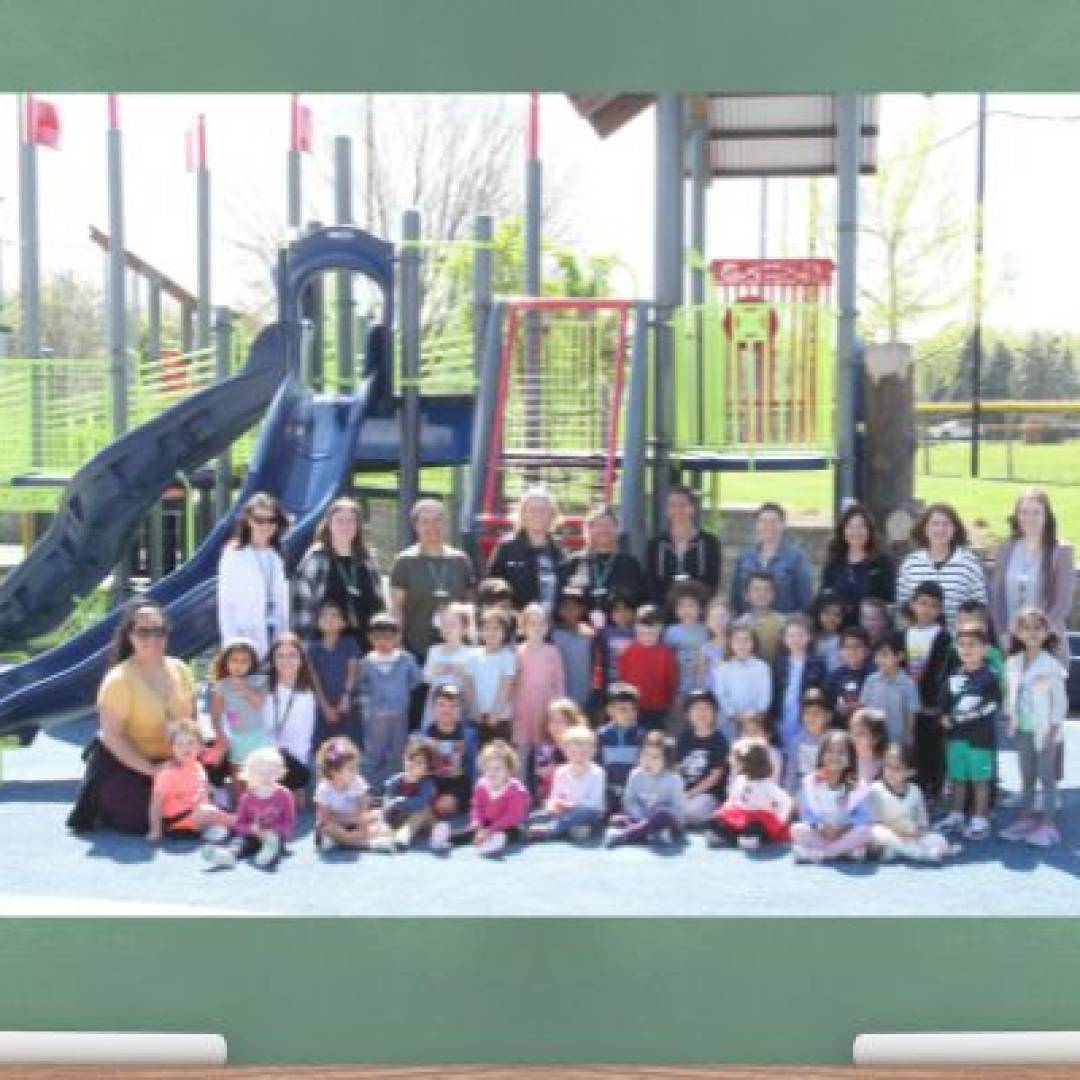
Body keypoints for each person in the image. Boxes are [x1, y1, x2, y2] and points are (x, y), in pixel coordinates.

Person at [67, 601, 196, 835]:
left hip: (177, 760)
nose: (152, 638)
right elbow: (112, 737)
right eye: (143, 631)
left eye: (159, 631)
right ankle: (103, 804)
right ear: (129, 636)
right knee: (142, 817)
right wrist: (151, 770)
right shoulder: (118, 680)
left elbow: (192, 721)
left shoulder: (181, 669)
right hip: (130, 763)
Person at [999, 607, 1068, 848]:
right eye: (1025, 628)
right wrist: (1009, 716)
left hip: (1045, 732)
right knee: (1026, 776)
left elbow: (1060, 702)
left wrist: (1053, 729)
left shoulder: (1051, 665)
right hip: (1022, 730)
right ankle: (1026, 818)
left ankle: (1048, 824)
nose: (1031, 633)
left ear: (1047, 632)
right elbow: (1011, 695)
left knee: (1046, 778)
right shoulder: (1013, 663)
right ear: (1016, 632)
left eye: (1037, 628)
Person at [990, 488, 1076, 663]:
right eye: (1024, 512)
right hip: (1011, 647)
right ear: (1017, 516)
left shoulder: (1061, 551)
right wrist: (1003, 634)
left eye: (1036, 512)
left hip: (1048, 647)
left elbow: (1062, 602)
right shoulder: (1007, 548)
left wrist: (1036, 638)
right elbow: (996, 597)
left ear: (1047, 516)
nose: (1030, 518)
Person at [934, 626, 1000, 841]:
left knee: (980, 781)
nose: (966, 649)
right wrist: (943, 716)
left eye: (972, 645)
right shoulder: (953, 676)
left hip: (980, 740)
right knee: (958, 778)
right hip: (956, 739)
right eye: (962, 645)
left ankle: (980, 819)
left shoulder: (990, 676)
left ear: (985, 648)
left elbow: (991, 706)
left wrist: (960, 718)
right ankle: (956, 815)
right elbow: (943, 705)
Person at [389, 498, 476, 661]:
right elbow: (397, 608)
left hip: (456, 650)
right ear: (416, 526)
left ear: (445, 524)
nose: (432, 527)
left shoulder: (460, 560)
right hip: (416, 650)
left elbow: (469, 605)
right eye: (425, 522)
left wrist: (472, 641)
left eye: (437, 521)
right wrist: (398, 644)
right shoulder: (404, 561)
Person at [291, 496, 385, 646]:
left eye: (351, 521)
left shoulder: (368, 557)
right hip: (326, 645)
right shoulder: (317, 556)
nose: (345, 526)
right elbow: (302, 605)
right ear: (329, 524)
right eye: (340, 521)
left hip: (364, 643)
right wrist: (304, 644)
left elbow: (379, 603)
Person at [217, 492, 290, 659]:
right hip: (244, 642)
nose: (266, 526)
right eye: (259, 520)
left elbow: (281, 603)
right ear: (249, 520)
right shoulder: (234, 554)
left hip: (274, 637)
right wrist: (231, 645)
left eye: (271, 521)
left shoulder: (276, 556)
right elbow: (226, 604)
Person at [896, 502, 988, 632]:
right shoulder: (910, 563)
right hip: (919, 644)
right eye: (935, 524)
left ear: (954, 529)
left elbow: (980, 607)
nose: (940, 529)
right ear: (925, 528)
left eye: (946, 524)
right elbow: (902, 606)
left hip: (959, 644)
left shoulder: (969, 563)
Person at [357, 613, 422, 793]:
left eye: (388, 637)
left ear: (397, 638)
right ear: (370, 638)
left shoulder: (406, 659)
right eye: (378, 638)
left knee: (398, 753)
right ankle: (368, 790)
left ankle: (397, 789)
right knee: (373, 754)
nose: (383, 642)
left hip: (400, 714)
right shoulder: (367, 662)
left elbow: (416, 680)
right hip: (375, 717)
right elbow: (361, 685)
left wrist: (401, 693)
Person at [201, 746, 295, 869]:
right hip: (252, 834)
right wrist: (252, 829)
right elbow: (239, 824)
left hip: (274, 836)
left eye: (271, 771)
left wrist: (273, 831)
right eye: (261, 772)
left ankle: (268, 854)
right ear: (250, 774)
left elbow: (288, 823)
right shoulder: (247, 798)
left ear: (280, 772)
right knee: (239, 842)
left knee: (274, 842)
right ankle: (228, 856)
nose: (266, 776)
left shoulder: (285, 795)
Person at [790, 730, 874, 863]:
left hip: (846, 831)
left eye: (841, 752)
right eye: (830, 751)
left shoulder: (857, 785)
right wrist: (820, 827)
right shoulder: (812, 781)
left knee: (866, 831)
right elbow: (807, 813)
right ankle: (843, 852)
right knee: (797, 829)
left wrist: (845, 828)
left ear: (850, 759)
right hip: (822, 832)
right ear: (821, 755)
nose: (835, 756)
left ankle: (824, 853)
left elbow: (864, 816)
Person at [146, 719, 232, 845]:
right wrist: (155, 830)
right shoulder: (167, 773)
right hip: (178, 824)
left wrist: (216, 797)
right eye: (180, 744)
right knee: (209, 812)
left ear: (200, 746)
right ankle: (247, 826)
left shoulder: (198, 767)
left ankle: (213, 828)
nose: (185, 748)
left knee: (220, 801)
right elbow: (155, 805)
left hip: (198, 814)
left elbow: (204, 790)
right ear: (172, 748)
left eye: (191, 743)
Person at [868, 744, 957, 864]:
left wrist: (916, 832)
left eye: (897, 768)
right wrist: (897, 831)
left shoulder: (915, 791)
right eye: (887, 766)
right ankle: (921, 854)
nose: (890, 771)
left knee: (939, 839)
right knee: (877, 832)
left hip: (911, 834)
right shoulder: (875, 789)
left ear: (910, 772)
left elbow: (922, 822)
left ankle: (900, 851)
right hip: (889, 832)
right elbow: (874, 821)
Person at [487, 486, 565, 615]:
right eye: (532, 510)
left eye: (543, 510)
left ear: (552, 514)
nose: (538, 515)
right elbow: (490, 586)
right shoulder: (506, 547)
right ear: (522, 514)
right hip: (516, 624)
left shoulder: (559, 548)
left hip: (552, 623)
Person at [560, 505, 646, 618]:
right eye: (599, 525)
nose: (604, 530)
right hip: (580, 630)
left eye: (609, 525)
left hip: (619, 631)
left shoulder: (630, 564)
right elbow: (563, 602)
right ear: (589, 529)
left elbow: (639, 602)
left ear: (617, 530)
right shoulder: (573, 563)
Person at [449, 740, 531, 856]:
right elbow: (477, 807)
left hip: (509, 824)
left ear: (509, 770)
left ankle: (494, 841)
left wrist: (490, 830)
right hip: (488, 821)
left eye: (497, 769)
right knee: (471, 831)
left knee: (515, 832)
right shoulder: (481, 786)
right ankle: (448, 838)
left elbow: (512, 816)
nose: (492, 773)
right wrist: (477, 822)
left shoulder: (516, 790)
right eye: (488, 769)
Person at [605, 731, 686, 848]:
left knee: (662, 815)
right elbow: (629, 801)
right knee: (616, 819)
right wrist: (641, 816)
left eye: (655, 757)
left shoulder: (674, 779)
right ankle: (650, 832)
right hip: (641, 816)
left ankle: (625, 835)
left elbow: (678, 809)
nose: (648, 760)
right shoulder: (635, 774)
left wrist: (655, 815)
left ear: (666, 761)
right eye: (646, 755)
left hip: (667, 820)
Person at [729, 502, 813, 616]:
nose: (768, 526)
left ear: (783, 525)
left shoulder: (796, 558)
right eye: (763, 521)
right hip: (748, 627)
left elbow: (805, 599)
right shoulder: (744, 557)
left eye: (773, 522)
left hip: (784, 627)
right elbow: (735, 596)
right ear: (756, 525)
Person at [526, 725, 606, 843]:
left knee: (581, 814)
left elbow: (593, 802)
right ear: (565, 751)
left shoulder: (598, 772)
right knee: (537, 815)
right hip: (565, 810)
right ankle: (523, 827)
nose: (579, 756)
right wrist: (554, 804)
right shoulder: (561, 771)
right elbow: (555, 795)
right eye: (574, 752)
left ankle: (551, 829)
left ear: (593, 751)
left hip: (589, 812)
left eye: (584, 752)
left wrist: (569, 805)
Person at [645, 485, 722, 606]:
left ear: (692, 508)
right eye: (672, 506)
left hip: (698, 611)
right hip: (665, 612)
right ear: (667, 510)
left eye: (682, 505)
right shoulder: (656, 544)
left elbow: (712, 582)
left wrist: (691, 607)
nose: (677, 510)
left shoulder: (709, 543)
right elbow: (651, 583)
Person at [709, 740, 793, 851]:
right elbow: (732, 799)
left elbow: (786, 801)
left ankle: (743, 839)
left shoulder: (767, 785)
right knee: (715, 820)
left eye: (737, 760)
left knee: (754, 828)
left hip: (759, 818)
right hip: (739, 814)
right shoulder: (739, 779)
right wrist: (724, 811)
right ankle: (736, 838)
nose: (732, 761)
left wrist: (780, 820)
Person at [264, 633, 318, 801]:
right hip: (264, 760)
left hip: (293, 764)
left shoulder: (306, 695)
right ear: (272, 660)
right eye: (280, 655)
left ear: (301, 659)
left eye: (292, 655)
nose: (286, 661)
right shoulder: (263, 689)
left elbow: (304, 738)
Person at [208, 637, 268, 784]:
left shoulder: (260, 681)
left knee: (258, 778)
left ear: (252, 663)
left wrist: (244, 688)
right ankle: (238, 805)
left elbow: (260, 703)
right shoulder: (221, 686)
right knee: (238, 777)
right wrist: (220, 736)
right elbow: (215, 716)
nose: (238, 665)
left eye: (244, 661)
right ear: (226, 662)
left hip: (258, 737)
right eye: (234, 660)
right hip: (236, 738)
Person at [819, 502, 896, 618]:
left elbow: (890, 601)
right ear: (843, 531)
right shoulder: (833, 563)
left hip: (871, 628)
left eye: (861, 526)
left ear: (869, 530)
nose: (856, 532)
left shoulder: (883, 563)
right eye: (850, 527)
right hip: (840, 627)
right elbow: (824, 599)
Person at [512, 602, 566, 762]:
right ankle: (521, 787)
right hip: (523, 710)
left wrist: (558, 709)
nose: (537, 628)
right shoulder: (517, 652)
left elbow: (559, 681)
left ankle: (541, 786)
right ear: (524, 626)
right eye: (532, 623)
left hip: (546, 710)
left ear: (547, 626)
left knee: (543, 759)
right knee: (521, 757)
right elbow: (512, 682)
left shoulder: (552, 652)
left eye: (541, 623)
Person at [307, 599, 362, 751]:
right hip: (322, 706)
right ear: (317, 622)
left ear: (344, 622)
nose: (329, 619)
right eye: (324, 616)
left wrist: (346, 696)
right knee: (323, 749)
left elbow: (353, 670)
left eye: (334, 615)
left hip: (348, 705)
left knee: (349, 747)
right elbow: (313, 679)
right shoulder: (312, 648)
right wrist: (324, 707)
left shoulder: (350, 643)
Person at [426, 685, 476, 851]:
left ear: (460, 710)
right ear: (433, 708)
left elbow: (475, 766)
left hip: (457, 783)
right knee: (421, 798)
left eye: (453, 706)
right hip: (432, 781)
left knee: (443, 806)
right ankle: (428, 820)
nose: (447, 710)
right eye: (441, 704)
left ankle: (431, 823)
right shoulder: (424, 733)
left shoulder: (469, 734)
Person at [617, 604, 679, 731]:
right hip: (633, 707)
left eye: (651, 634)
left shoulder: (666, 653)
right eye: (642, 633)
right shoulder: (628, 651)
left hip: (659, 707)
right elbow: (622, 678)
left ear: (659, 630)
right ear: (636, 629)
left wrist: (668, 702)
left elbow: (672, 680)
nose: (647, 637)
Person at [371, 737, 439, 851]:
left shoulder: (426, 784)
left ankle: (404, 836)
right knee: (378, 814)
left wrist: (402, 801)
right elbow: (388, 798)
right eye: (409, 759)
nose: (411, 764)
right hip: (398, 816)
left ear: (427, 770)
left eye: (419, 763)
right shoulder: (395, 780)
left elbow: (421, 802)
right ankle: (384, 837)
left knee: (424, 810)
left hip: (421, 820)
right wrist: (388, 804)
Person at [771, 613, 827, 750]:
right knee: (784, 749)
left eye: (800, 635)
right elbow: (774, 691)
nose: (796, 639)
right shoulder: (778, 663)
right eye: (791, 635)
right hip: (783, 716)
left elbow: (822, 692)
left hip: (806, 716)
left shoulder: (817, 663)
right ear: (784, 639)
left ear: (808, 637)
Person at [675, 689, 730, 826]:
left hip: (708, 794)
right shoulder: (684, 737)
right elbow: (676, 768)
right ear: (688, 714)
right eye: (696, 709)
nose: (701, 713)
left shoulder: (719, 740)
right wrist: (677, 792)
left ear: (715, 713)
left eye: (706, 709)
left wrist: (690, 794)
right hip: (684, 791)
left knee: (692, 811)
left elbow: (714, 778)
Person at [709, 624, 771, 744]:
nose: (742, 644)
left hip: (755, 721)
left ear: (753, 643)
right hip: (730, 720)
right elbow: (720, 694)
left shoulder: (762, 667)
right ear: (730, 644)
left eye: (746, 640)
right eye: (737, 640)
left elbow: (765, 695)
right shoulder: (723, 668)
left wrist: (755, 714)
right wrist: (734, 714)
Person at [313, 736, 375, 853]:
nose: (355, 772)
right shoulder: (323, 788)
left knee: (377, 820)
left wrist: (362, 825)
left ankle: (347, 841)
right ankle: (358, 842)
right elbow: (325, 817)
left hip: (356, 821)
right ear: (334, 771)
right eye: (350, 769)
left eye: (356, 767)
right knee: (325, 827)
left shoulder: (357, 782)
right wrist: (348, 822)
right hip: (337, 823)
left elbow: (363, 810)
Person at [860, 633, 920, 752]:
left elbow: (911, 718)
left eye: (885, 655)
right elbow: (863, 710)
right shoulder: (870, 681)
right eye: (877, 656)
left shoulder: (908, 684)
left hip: (897, 745)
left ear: (900, 656)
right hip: (872, 743)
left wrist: (907, 744)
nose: (879, 660)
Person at [421, 602, 476, 730]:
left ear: (464, 629)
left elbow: (471, 684)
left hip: (457, 712)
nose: (447, 629)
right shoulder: (433, 650)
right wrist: (434, 671)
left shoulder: (471, 653)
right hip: (434, 711)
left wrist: (459, 671)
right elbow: (425, 678)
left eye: (452, 625)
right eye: (444, 624)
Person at [471, 607, 518, 746]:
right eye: (487, 628)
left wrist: (495, 713)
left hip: (500, 718)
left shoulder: (507, 656)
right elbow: (469, 684)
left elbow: (506, 685)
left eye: (496, 629)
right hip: (477, 716)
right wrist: (474, 710)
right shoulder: (473, 655)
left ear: (505, 632)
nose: (491, 632)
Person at [597, 682, 645, 811]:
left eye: (633, 709)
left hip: (633, 792)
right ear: (610, 710)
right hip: (608, 792)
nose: (629, 714)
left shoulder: (642, 737)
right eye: (623, 709)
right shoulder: (600, 736)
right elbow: (597, 768)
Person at [662, 582, 711, 702]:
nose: (686, 610)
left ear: (700, 608)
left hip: (703, 686)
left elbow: (713, 656)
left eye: (691, 606)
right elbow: (667, 660)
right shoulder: (671, 632)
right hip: (680, 688)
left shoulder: (707, 630)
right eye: (681, 606)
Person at [551, 586, 596, 710]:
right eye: (566, 606)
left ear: (582, 609)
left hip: (584, 696)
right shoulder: (553, 634)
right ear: (559, 610)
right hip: (560, 697)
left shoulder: (590, 635)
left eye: (576, 606)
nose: (571, 610)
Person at [782, 688, 832, 795]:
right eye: (807, 713)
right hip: (802, 794)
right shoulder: (797, 741)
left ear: (827, 716)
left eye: (816, 713)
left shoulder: (832, 741)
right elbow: (792, 774)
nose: (811, 718)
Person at [824, 627, 874, 726]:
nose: (852, 651)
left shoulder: (874, 675)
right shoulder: (834, 677)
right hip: (842, 730)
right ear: (840, 651)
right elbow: (827, 707)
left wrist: (861, 706)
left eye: (857, 646)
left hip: (869, 729)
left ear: (867, 649)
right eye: (847, 647)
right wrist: (838, 709)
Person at [534, 699, 581, 802]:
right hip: (551, 796)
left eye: (560, 722)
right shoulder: (545, 747)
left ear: (572, 723)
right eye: (552, 721)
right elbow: (540, 771)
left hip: (576, 795)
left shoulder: (580, 745)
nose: (555, 725)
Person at [736, 572, 786, 664]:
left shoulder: (783, 623)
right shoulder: (739, 625)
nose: (762, 594)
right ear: (746, 595)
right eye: (756, 589)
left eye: (767, 589)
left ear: (773, 594)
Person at [849, 707, 888, 787]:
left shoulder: (886, 764)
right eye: (852, 732)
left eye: (861, 733)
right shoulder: (849, 760)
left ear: (876, 737)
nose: (854, 737)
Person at [811, 591, 847, 673]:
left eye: (837, 615)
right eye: (826, 613)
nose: (832, 619)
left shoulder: (842, 640)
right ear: (817, 613)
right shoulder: (808, 636)